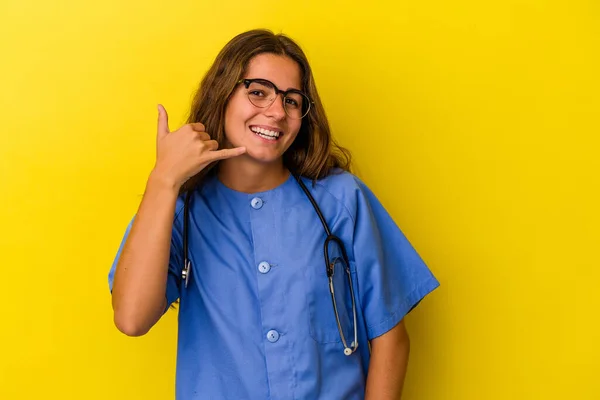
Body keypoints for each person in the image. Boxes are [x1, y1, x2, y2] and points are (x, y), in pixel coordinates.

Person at [107, 29, 439, 399]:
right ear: (222, 95)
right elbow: (132, 318)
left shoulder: (342, 201)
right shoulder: (180, 209)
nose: (278, 112)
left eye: (292, 100)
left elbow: (390, 337)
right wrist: (164, 180)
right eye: (259, 91)